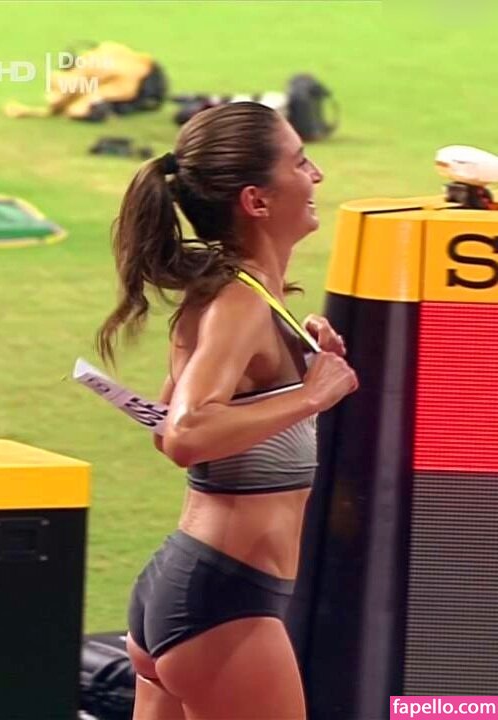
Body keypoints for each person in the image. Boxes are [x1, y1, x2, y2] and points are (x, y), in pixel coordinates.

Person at [97, 101, 358, 720]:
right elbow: (187, 435)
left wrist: (300, 361)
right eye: (300, 162)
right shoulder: (239, 302)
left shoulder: (237, 296)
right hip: (221, 602)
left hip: (187, 588)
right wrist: (311, 395)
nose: (316, 175)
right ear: (256, 201)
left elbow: (167, 426)